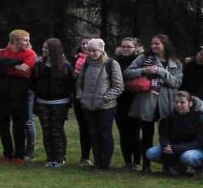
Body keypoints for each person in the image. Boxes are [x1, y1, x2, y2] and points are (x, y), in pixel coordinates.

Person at [126, 35, 183, 173]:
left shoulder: (175, 62)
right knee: (147, 135)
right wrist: (143, 70)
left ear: (165, 45)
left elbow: (176, 82)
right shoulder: (143, 58)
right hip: (147, 101)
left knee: (167, 135)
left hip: (167, 102)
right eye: (152, 44)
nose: (154, 46)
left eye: (157, 44)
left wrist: (161, 71)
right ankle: (146, 165)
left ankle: (167, 165)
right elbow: (127, 73)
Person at [0, 30, 37, 164]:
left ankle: (19, 155)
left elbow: (25, 69)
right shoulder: (0, 52)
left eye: (28, 40)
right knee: (3, 125)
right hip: (2, 93)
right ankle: (7, 153)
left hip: (20, 92)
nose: (28, 43)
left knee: (19, 125)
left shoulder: (30, 53)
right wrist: (15, 64)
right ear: (15, 41)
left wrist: (5, 64)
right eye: (25, 40)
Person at [75, 37, 123, 170]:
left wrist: (105, 98)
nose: (91, 53)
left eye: (94, 50)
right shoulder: (86, 64)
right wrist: (81, 97)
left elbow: (118, 86)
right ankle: (97, 161)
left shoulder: (111, 64)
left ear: (101, 50)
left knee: (105, 134)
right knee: (93, 134)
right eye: (89, 50)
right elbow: (79, 83)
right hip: (88, 106)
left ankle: (105, 163)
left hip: (106, 107)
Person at [32, 38, 76, 168]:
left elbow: (70, 85)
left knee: (57, 130)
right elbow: (33, 81)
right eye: (43, 47)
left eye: (47, 48)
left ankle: (60, 158)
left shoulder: (65, 66)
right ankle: (50, 157)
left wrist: (65, 97)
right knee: (46, 130)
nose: (44, 50)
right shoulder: (39, 64)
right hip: (42, 102)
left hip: (59, 103)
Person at [148, 91, 201, 176]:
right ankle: (178, 166)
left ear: (190, 103)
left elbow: (199, 142)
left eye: (182, 102)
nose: (178, 105)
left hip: (196, 149)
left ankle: (199, 168)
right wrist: (166, 146)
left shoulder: (199, 118)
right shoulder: (171, 116)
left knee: (187, 157)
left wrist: (175, 148)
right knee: (151, 153)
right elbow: (164, 135)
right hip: (175, 147)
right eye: (176, 102)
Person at [113, 37, 143, 168]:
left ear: (135, 48)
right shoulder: (115, 61)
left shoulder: (140, 61)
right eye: (123, 46)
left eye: (129, 47)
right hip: (119, 100)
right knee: (123, 132)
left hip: (135, 100)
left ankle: (137, 161)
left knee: (134, 132)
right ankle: (127, 161)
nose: (125, 49)